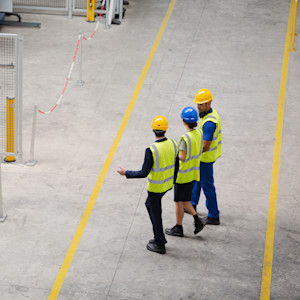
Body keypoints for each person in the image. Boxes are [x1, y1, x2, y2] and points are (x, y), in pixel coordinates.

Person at [117, 115, 179, 255]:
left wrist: (126, 172)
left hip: (156, 188)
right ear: (166, 130)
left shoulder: (151, 150)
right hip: (167, 184)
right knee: (150, 205)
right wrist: (173, 181)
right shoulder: (174, 144)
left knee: (156, 214)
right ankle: (159, 238)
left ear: (153, 130)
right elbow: (177, 165)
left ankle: (159, 242)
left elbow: (143, 173)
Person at [165, 107, 206, 237]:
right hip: (193, 173)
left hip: (182, 175)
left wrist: (173, 154)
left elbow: (182, 157)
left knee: (178, 202)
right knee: (185, 200)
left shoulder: (185, 138)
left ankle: (178, 227)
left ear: (183, 121)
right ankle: (197, 220)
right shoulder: (199, 133)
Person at [190, 89, 222, 225]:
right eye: (197, 104)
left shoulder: (209, 123)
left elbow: (205, 146)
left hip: (205, 158)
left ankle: (214, 215)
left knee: (207, 186)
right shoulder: (211, 114)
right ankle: (192, 204)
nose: (198, 107)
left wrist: (191, 154)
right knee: (197, 180)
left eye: (201, 104)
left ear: (208, 103)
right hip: (204, 158)